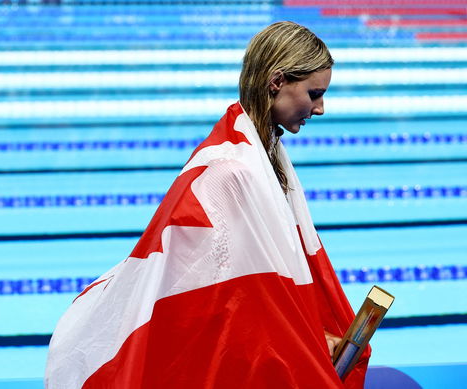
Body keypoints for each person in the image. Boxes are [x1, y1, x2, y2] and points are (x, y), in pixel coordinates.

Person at [45, 21, 369, 388]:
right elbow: (222, 298)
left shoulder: (264, 151)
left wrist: (311, 335)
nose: (321, 108)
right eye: (314, 94)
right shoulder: (229, 172)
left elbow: (257, 290)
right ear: (276, 81)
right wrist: (306, 341)